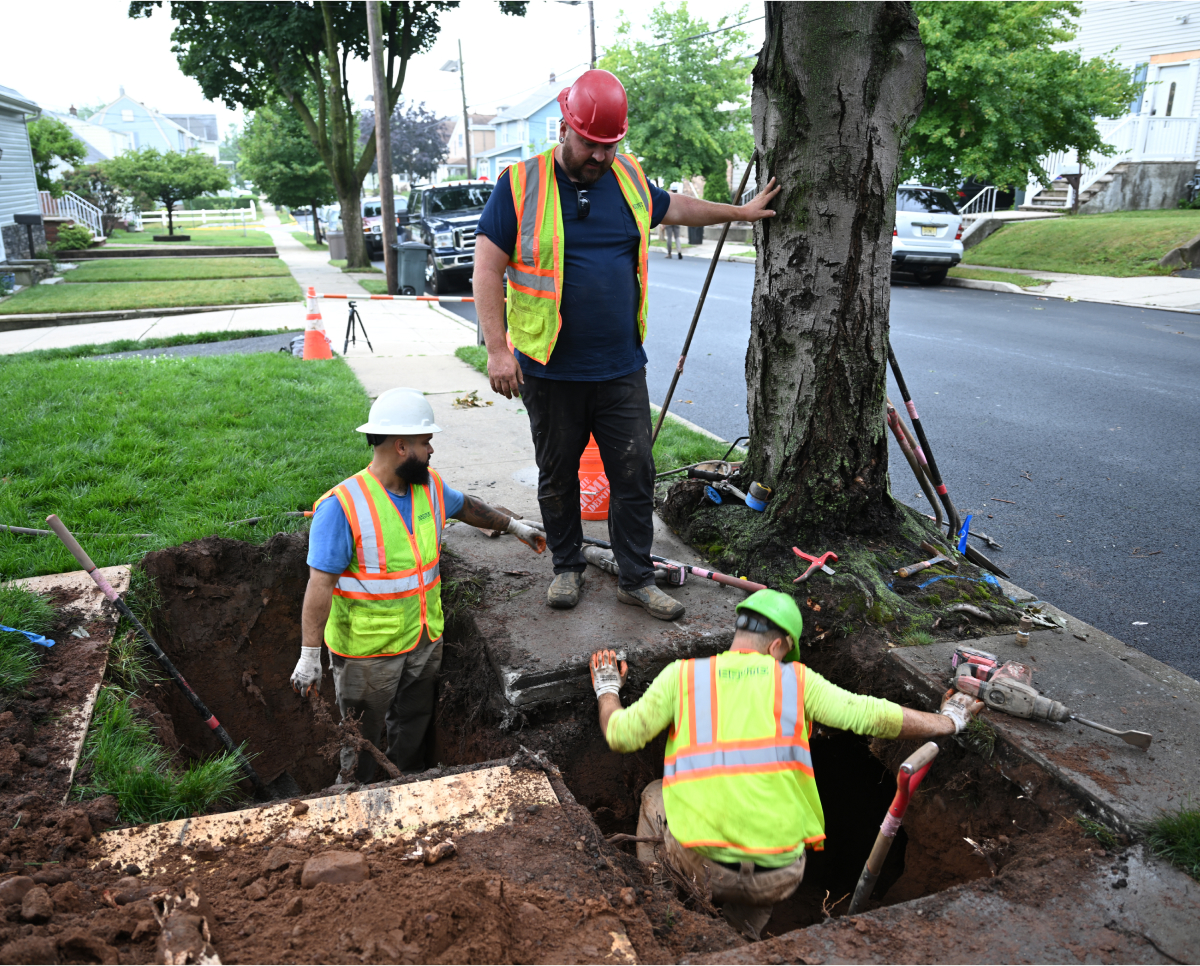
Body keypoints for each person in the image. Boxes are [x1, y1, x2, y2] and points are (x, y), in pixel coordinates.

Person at [473, 69, 780, 622]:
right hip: (550, 369)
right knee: (558, 475)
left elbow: (676, 208)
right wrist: (498, 350)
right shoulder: (520, 184)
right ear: (566, 126)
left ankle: (635, 578)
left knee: (635, 475)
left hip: (619, 368)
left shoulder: (628, 178)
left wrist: (739, 213)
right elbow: (487, 268)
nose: (599, 155)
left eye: (610, 145)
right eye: (591, 142)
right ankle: (567, 566)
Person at [588, 589, 983, 940]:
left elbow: (620, 735)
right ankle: (740, 939)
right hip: (778, 875)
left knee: (654, 794)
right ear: (779, 646)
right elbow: (872, 715)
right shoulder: (797, 680)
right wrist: (951, 721)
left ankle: (660, 904)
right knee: (747, 921)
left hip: (701, 865)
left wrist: (607, 689)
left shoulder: (683, 676)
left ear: (739, 631)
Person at [289, 388, 546, 782]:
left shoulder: (430, 486)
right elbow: (320, 585)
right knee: (362, 737)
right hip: (368, 654)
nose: (431, 451)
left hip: (423, 639)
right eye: (426, 442)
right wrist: (309, 655)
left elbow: (466, 506)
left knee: (412, 722)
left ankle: (405, 781)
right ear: (402, 446)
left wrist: (514, 527)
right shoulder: (342, 507)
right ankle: (356, 791)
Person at [663, 185, 683, 259]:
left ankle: (669, 253)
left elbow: (665, 210)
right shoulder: (679, 199)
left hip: (669, 220)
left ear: (671, 190)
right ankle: (679, 251)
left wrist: (663, 223)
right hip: (677, 220)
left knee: (669, 237)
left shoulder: (668, 198)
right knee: (677, 237)